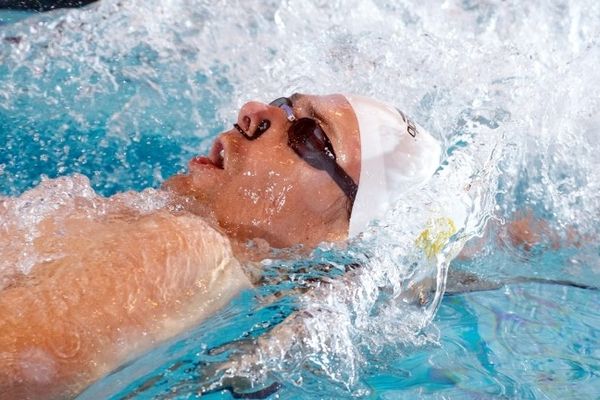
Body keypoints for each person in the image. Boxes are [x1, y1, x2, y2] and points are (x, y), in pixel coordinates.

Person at [0, 93, 557, 400]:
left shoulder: (183, 247)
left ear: (338, 234)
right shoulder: (144, 218)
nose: (253, 112)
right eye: (283, 104)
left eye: (310, 136)